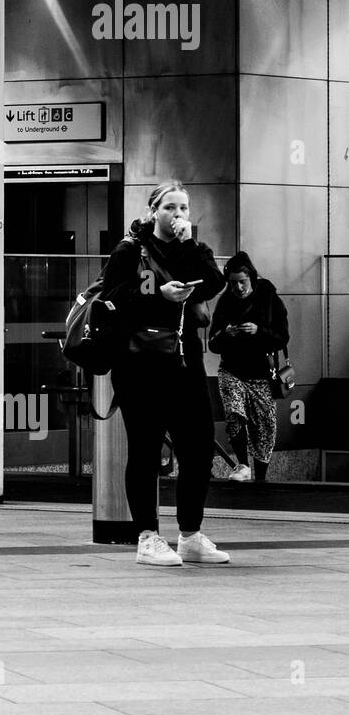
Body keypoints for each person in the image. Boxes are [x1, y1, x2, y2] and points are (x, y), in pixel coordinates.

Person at [102, 180, 228, 566]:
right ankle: (147, 537)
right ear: (153, 210)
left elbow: (214, 283)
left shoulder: (194, 249)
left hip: (185, 363)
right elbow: (112, 296)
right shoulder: (131, 250)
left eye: (184, 209)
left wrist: (188, 245)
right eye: (171, 208)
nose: (178, 216)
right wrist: (160, 295)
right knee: (145, 448)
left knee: (199, 446)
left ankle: (190, 534)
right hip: (139, 365)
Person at [208, 251, 289, 485]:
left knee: (264, 427)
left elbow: (282, 337)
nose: (238, 288)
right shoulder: (225, 302)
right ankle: (242, 464)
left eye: (242, 282)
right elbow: (213, 342)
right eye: (233, 283)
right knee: (234, 413)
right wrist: (225, 334)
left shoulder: (269, 297)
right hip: (231, 369)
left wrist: (258, 331)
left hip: (262, 373)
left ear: (251, 278)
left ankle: (260, 479)